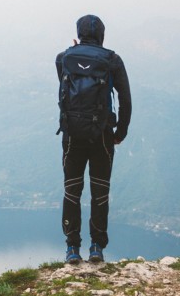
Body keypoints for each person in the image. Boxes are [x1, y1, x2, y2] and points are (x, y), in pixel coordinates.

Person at [56, 14, 132, 264]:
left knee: (72, 191)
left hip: (72, 135)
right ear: (102, 35)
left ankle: (72, 249)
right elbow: (125, 100)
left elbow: (64, 87)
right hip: (101, 136)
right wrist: (119, 133)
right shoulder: (112, 60)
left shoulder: (64, 58)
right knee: (100, 192)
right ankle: (97, 247)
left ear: (78, 33)